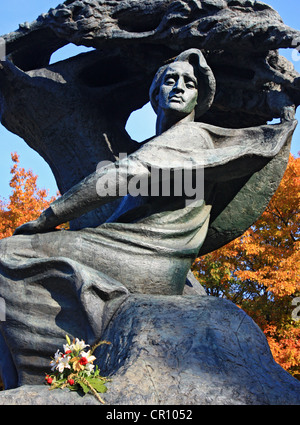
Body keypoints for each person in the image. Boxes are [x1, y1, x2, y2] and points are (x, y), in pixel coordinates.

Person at [0, 49, 296, 388]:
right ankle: (23, 381)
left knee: (8, 253)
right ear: (155, 94)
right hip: (129, 247)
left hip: (149, 260)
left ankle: (43, 372)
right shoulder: (155, 144)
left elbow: (119, 174)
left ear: (198, 98)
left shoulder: (190, 138)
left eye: (189, 84)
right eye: (170, 80)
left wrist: (46, 217)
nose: (179, 88)